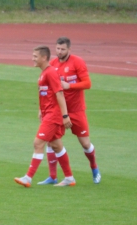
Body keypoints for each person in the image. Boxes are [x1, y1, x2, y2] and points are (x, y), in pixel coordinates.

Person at [39, 37, 101, 185]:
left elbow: (88, 83)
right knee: (51, 141)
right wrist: (42, 109)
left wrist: (69, 86)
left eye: (63, 49)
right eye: (58, 49)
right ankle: (52, 176)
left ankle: (94, 168)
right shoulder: (52, 64)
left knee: (85, 143)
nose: (59, 52)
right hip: (58, 110)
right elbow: (46, 89)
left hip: (76, 110)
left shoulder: (77, 62)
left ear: (69, 50)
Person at [14, 46, 75, 188]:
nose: (33, 59)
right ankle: (69, 178)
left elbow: (59, 93)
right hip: (48, 113)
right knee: (56, 145)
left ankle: (28, 178)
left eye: (35, 56)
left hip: (53, 115)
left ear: (44, 58)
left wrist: (65, 115)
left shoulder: (51, 73)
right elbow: (45, 94)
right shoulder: (44, 73)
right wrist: (41, 110)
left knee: (38, 143)